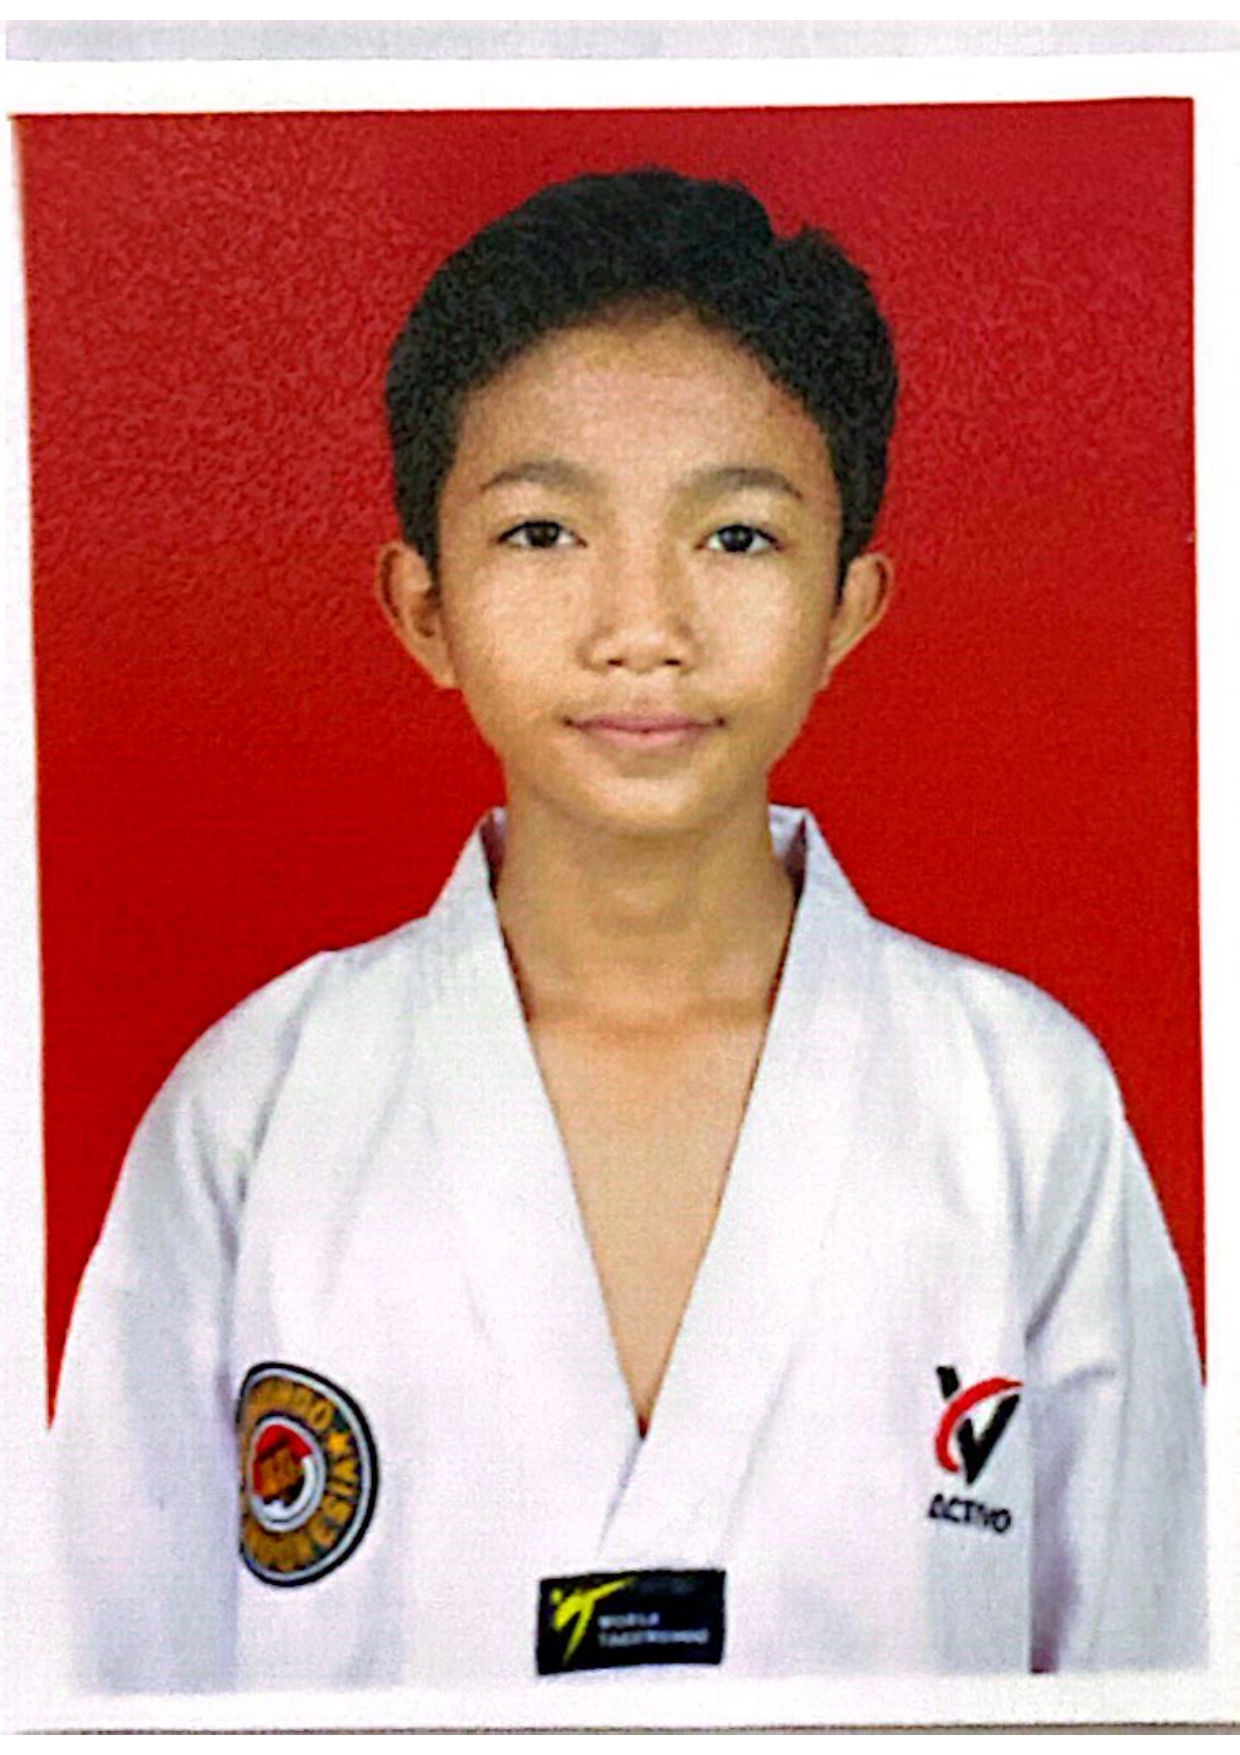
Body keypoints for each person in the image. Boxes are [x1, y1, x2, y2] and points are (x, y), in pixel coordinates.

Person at [50, 167, 1204, 1693]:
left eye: (737, 537)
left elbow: (1155, 1674)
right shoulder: (255, 1112)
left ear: (850, 605)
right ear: (424, 608)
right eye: (542, 533)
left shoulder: (1017, 1103)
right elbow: (101, 1682)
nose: (642, 627)